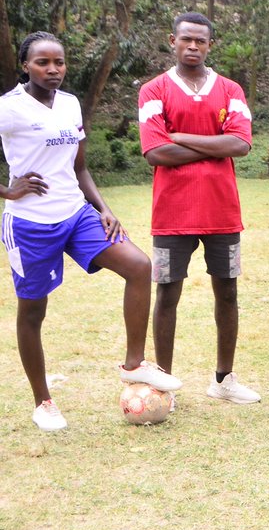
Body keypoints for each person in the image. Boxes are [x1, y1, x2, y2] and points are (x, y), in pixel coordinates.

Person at [2, 32, 180, 431]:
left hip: (76, 213)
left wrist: (104, 209)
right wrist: (7, 190)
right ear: (25, 66)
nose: (53, 70)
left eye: (59, 62)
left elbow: (80, 167)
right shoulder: (9, 109)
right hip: (30, 224)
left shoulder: (69, 104)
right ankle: (43, 402)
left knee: (138, 265)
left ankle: (135, 366)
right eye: (42, 63)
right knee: (33, 311)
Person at [138, 12, 260, 404]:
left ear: (210, 45)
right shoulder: (153, 91)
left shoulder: (231, 90)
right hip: (171, 215)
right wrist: (212, 141)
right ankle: (164, 385)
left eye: (200, 41)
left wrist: (182, 136)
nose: (193, 46)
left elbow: (240, 144)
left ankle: (224, 380)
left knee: (227, 293)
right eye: (186, 39)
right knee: (167, 296)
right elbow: (156, 152)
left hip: (223, 213)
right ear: (171, 40)